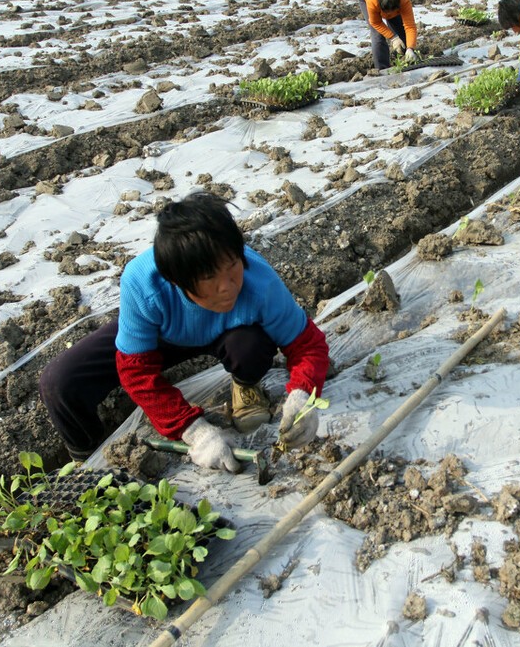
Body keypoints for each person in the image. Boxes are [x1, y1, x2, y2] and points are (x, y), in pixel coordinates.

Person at [38, 193, 329, 471]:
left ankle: (245, 384)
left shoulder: (259, 283)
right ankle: (88, 460)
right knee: (60, 382)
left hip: (230, 332)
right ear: (177, 281)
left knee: (250, 348)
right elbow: (136, 373)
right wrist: (193, 431)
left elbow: (307, 345)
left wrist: (303, 395)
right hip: (162, 334)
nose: (228, 286)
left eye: (232, 265)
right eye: (209, 277)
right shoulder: (144, 285)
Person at [360, 0, 418, 71]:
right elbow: (376, 22)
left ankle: (407, 61)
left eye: (392, 11)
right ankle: (381, 69)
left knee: (402, 33)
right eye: (387, 12)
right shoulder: (372, 1)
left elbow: (410, 26)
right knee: (378, 36)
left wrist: (410, 48)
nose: (389, 14)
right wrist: (393, 38)